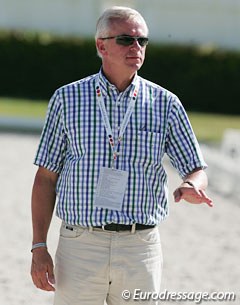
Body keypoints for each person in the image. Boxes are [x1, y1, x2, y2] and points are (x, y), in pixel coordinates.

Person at [31, 6, 213, 305]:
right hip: (80, 245)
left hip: (140, 247)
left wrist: (193, 184)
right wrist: (39, 246)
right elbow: (45, 177)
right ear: (101, 45)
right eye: (126, 39)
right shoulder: (67, 98)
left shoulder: (166, 103)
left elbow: (195, 167)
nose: (136, 47)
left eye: (142, 41)